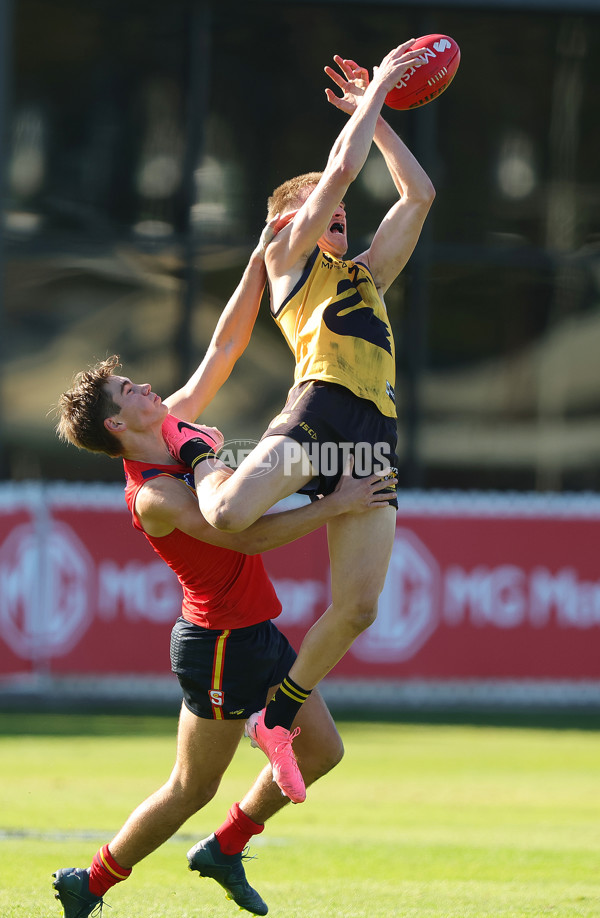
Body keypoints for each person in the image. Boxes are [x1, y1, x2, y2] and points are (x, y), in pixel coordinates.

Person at [52, 225, 393, 918]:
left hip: (255, 630)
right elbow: (246, 541)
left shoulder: (175, 422)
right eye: (131, 390)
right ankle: (90, 882)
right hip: (217, 646)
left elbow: (224, 346)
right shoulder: (155, 494)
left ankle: (226, 847)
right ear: (120, 426)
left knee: (322, 752)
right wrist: (339, 503)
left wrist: (260, 264)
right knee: (189, 787)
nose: (147, 387)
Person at [169, 42, 436, 805]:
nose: (341, 213)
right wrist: (380, 90)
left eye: (343, 212)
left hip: (372, 434)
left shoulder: (364, 276)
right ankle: (190, 454)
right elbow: (342, 173)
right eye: (325, 206)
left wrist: (374, 117)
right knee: (231, 512)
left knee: (360, 607)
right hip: (318, 412)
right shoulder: (289, 259)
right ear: (290, 220)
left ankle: (278, 714)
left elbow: (418, 197)